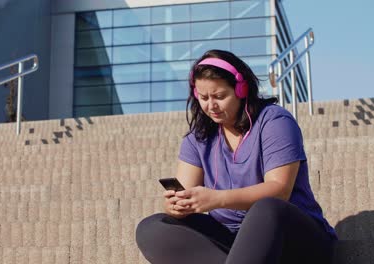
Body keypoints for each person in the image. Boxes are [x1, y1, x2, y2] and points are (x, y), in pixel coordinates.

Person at [135, 49, 337, 264]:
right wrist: (176, 206)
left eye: (220, 96)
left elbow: (280, 190)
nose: (211, 106)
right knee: (152, 228)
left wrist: (217, 199)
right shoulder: (198, 138)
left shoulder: (274, 121)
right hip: (234, 242)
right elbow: (186, 195)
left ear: (241, 90)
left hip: (292, 238)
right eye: (203, 97)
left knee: (266, 207)